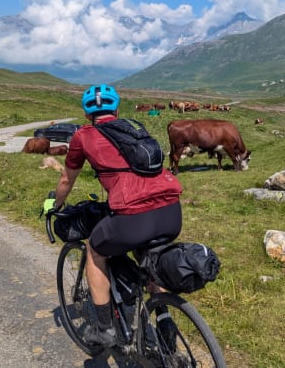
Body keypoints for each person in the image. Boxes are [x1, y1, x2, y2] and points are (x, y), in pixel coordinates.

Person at [44, 84, 183, 347]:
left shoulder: (84, 136)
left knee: (95, 251)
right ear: (117, 110)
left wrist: (55, 204)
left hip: (132, 216)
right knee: (150, 261)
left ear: (87, 115)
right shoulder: (135, 127)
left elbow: (66, 179)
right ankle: (165, 322)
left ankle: (104, 329)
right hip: (171, 211)